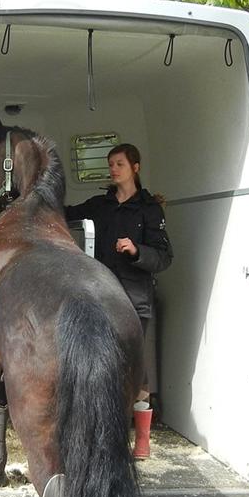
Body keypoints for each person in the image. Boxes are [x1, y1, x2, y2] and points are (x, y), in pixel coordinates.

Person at [65, 143, 173, 458]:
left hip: (135, 298)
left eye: (120, 164)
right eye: (111, 164)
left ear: (135, 167)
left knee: (135, 368)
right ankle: (101, 435)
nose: (113, 169)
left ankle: (141, 439)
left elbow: (165, 256)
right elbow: (67, 214)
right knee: (99, 363)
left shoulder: (150, 209)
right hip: (99, 296)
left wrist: (137, 251)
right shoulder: (100, 205)